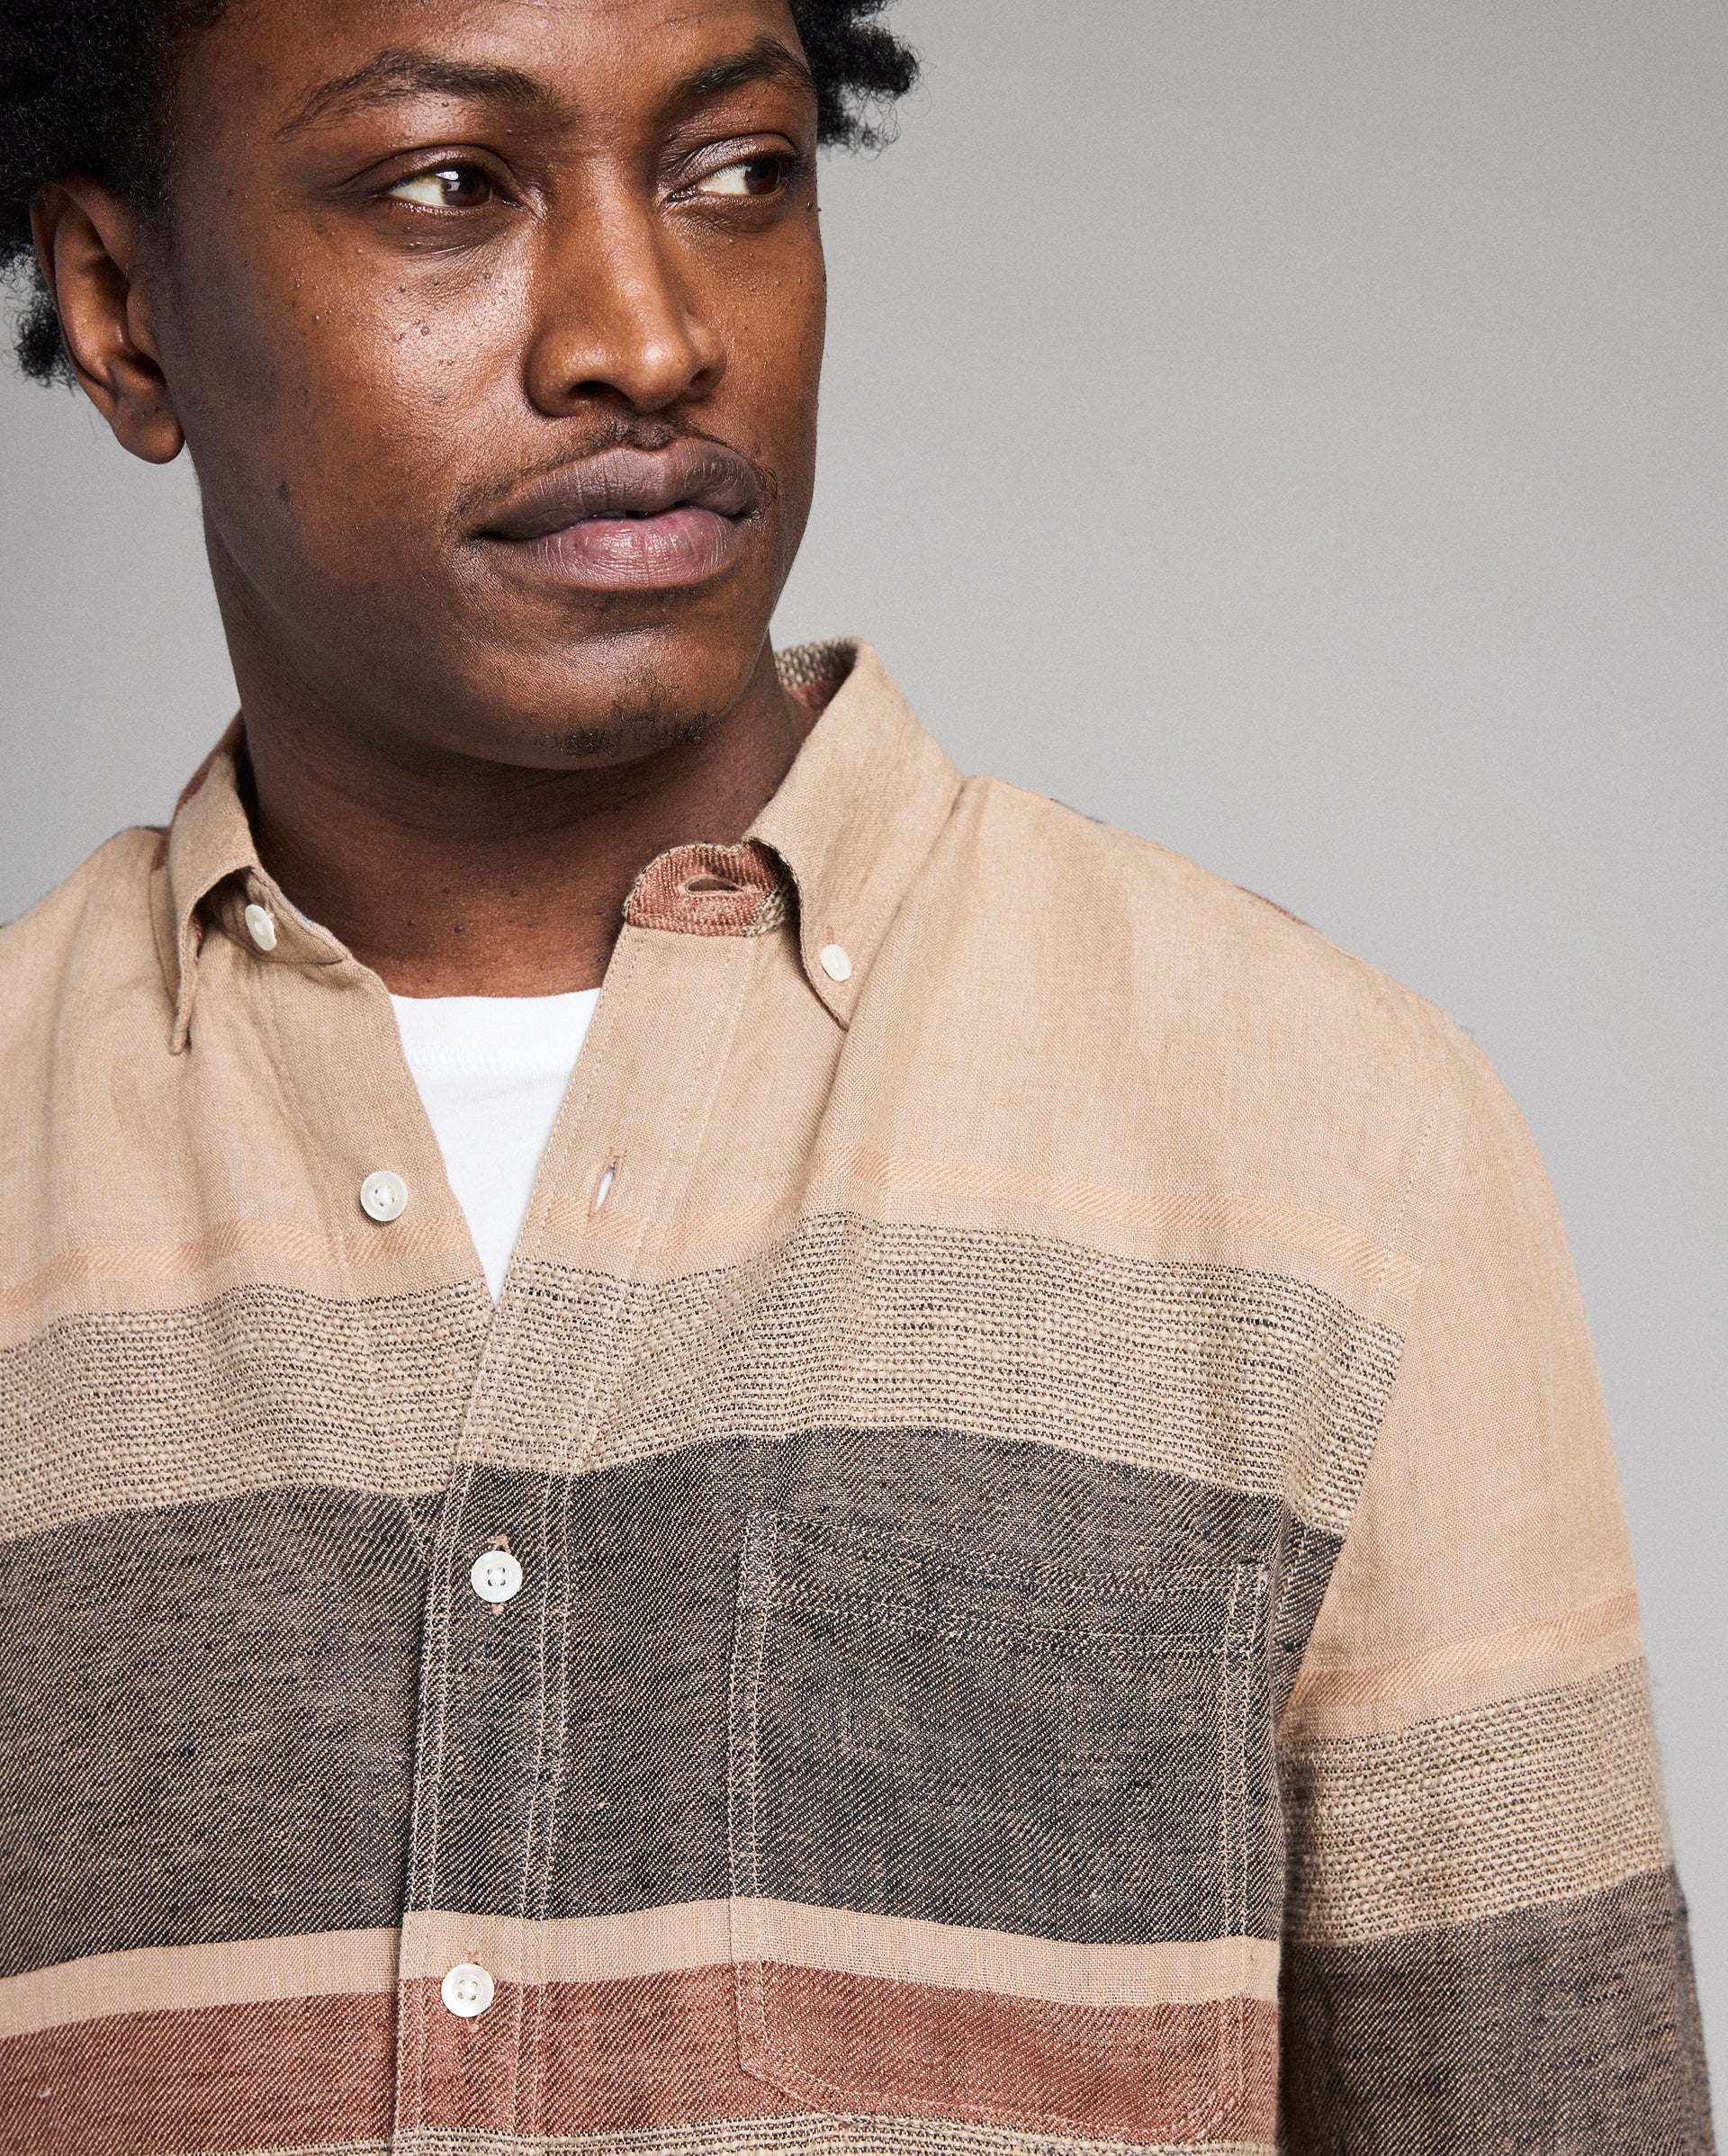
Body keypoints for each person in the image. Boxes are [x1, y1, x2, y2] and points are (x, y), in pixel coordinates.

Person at [0, 0, 1712, 2149]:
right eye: (454, 184)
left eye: (740, 174)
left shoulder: (1328, 1150)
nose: (648, 336)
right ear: (122, 309)